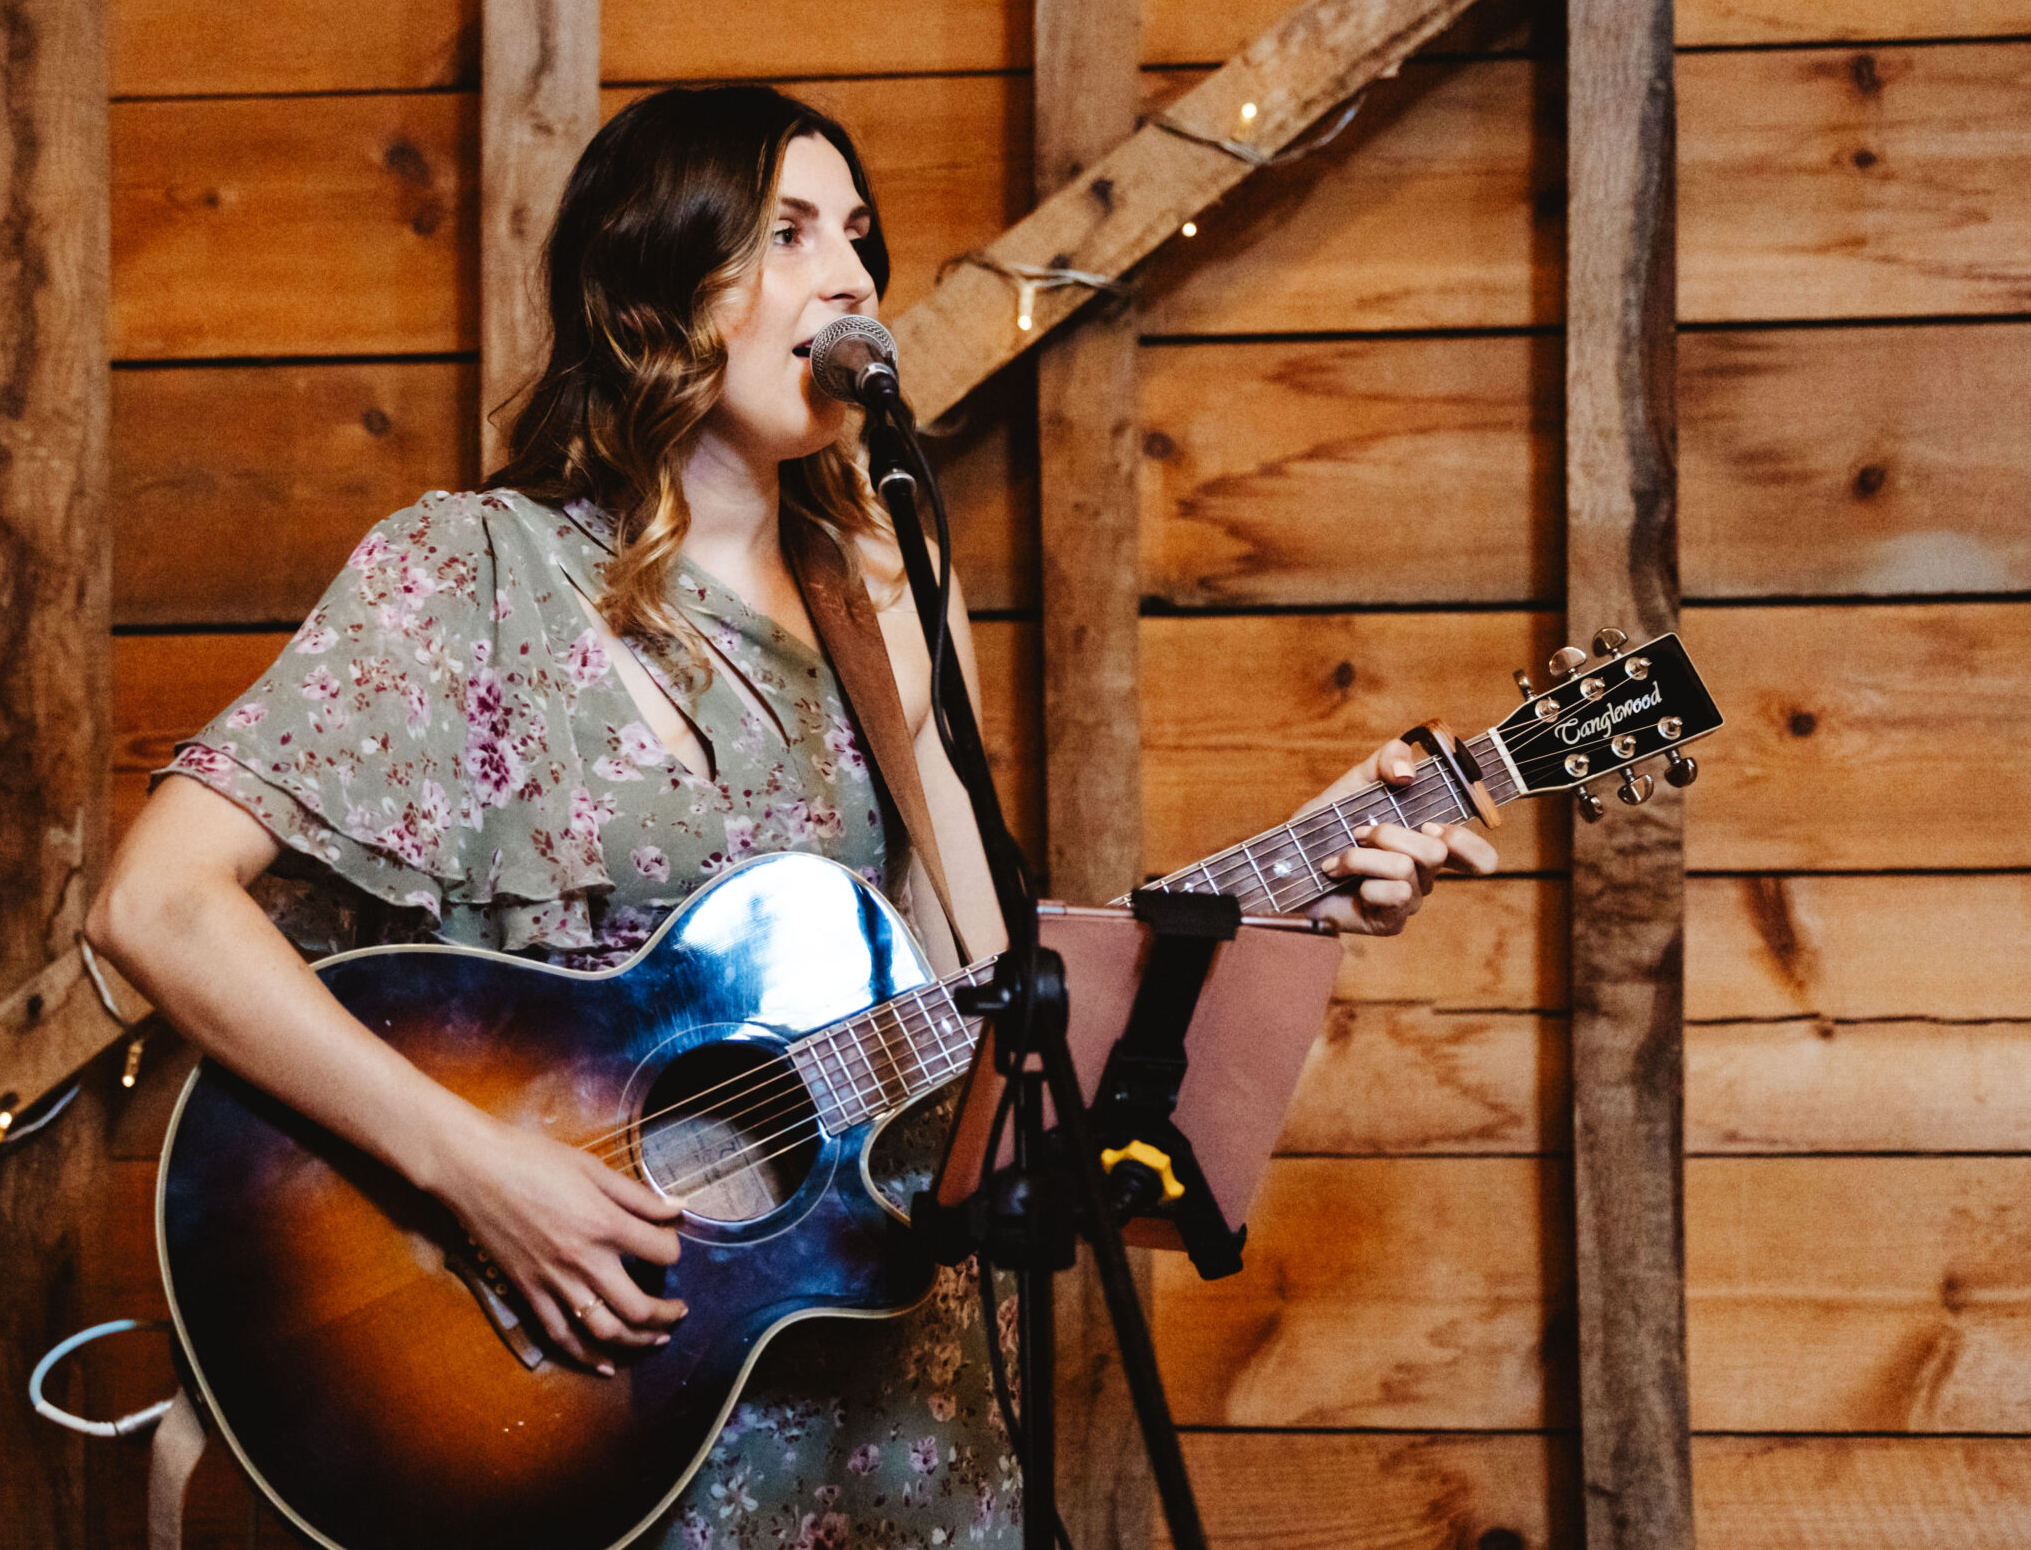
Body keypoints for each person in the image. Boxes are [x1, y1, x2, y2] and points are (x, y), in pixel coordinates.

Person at [86, 84, 1498, 1549]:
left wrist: (1287, 892)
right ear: (654, 283)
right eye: (787, 231)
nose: (851, 277)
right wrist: (483, 1171)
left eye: (862, 240)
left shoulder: (884, 591)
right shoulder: (469, 572)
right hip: (578, 1385)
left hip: (885, 1399)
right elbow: (157, 907)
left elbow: (997, 989)